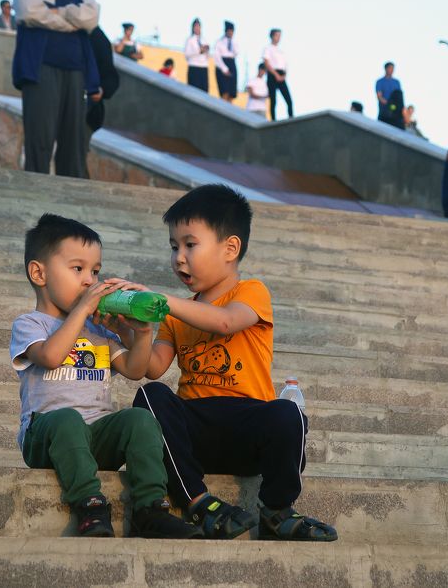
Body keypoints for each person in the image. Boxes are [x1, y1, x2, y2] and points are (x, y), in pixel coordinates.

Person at [129, 185, 338, 542]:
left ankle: (276, 509)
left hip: (247, 426)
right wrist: (140, 329)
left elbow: (225, 321)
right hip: (196, 429)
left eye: (190, 245)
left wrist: (162, 301)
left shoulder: (251, 292)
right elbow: (152, 367)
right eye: (174, 246)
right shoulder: (174, 316)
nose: (179, 257)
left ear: (230, 248)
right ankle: (199, 502)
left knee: (288, 414)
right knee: (151, 396)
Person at [10, 213, 203, 540]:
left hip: (96, 432)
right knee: (67, 419)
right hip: (47, 433)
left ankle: (150, 508)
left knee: (139, 421)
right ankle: (89, 504)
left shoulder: (97, 329)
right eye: (77, 269)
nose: (90, 281)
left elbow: (135, 370)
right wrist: (83, 310)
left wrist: (141, 334)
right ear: (39, 273)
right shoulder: (30, 324)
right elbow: (52, 356)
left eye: (95, 272)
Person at [12, 0, 101, 179]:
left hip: (75, 70)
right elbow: (29, 11)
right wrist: (71, 18)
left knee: (72, 147)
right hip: (39, 69)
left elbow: (91, 17)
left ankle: (68, 213)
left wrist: (55, 11)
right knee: (39, 141)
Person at [262, 29, 293, 120]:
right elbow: (266, 63)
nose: (278, 38)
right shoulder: (268, 48)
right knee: (273, 100)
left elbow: (285, 65)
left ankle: (291, 119)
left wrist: (284, 75)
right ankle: (273, 121)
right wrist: (276, 75)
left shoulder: (281, 50)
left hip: (281, 75)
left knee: (289, 100)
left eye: (280, 36)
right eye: (277, 35)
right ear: (272, 36)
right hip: (272, 75)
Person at [214, 21, 238, 102]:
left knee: (231, 93)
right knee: (225, 92)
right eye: (229, 31)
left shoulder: (234, 42)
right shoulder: (219, 42)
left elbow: (236, 52)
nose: (231, 33)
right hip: (222, 65)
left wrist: (232, 42)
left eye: (232, 31)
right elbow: (217, 57)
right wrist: (224, 69)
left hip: (232, 64)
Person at [184, 19, 209, 92]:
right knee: (193, 91)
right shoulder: (190, 40)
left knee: (204, 92)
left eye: (199, 26)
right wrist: (199, 51)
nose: (197, 28)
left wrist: (206, 50)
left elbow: (208, 55)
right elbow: (187, 55)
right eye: (195, 26)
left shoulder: (204, 40)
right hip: (194, 67)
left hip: (203, 67)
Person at [376, 61, 402, 127]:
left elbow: (399, 97)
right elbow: (379, 96)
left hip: (395, 112)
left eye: (393, 69)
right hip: (384, 111)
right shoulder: (380, 82)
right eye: (390, 68)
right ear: (386, 69)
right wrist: (388, 104)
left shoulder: (396, 82)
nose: (392, 70)